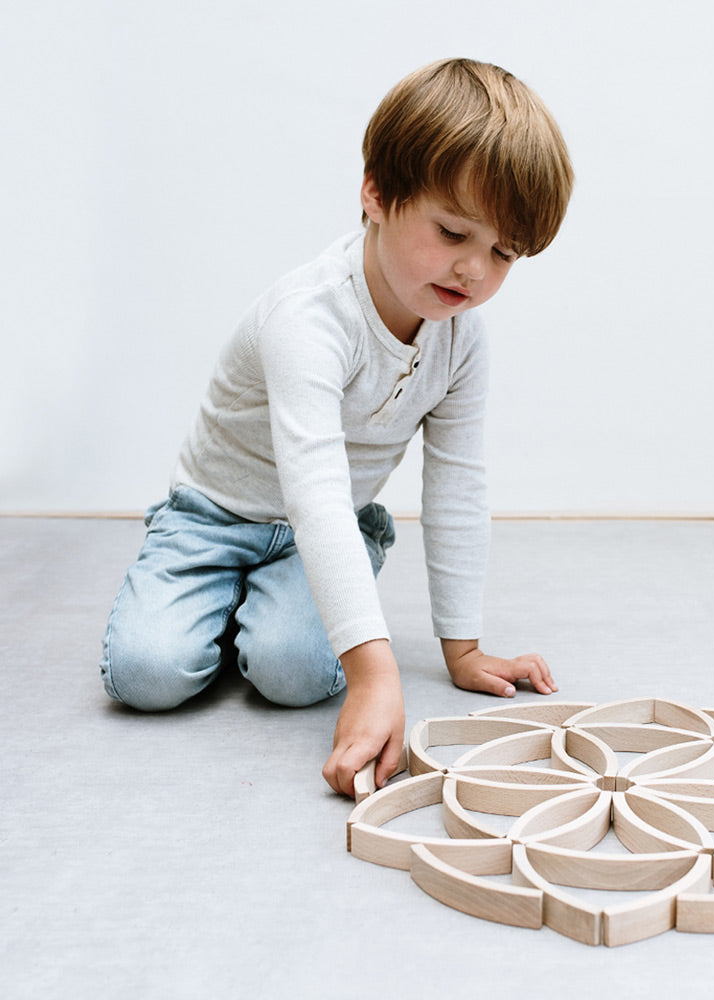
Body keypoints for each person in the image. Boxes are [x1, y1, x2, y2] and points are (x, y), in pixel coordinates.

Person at [99, 58, 574, 797]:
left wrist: (463, 647)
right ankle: (218, 586)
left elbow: (455, 484)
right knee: (147, 675)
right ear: (377, 194)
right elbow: (314, 486)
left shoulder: (461, 339)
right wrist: (374, 672)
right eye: (453, 231)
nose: (474, 271)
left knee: (291, 675)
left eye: (503, 253)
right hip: (214, 517)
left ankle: (302, 583)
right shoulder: (308, 319)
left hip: (321, 528)